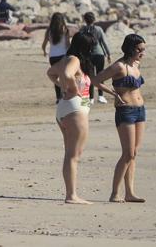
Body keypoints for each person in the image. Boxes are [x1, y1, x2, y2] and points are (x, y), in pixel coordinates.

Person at [91, 34, 147, 203]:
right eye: (140, 49)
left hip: (140, 111)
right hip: (125, 111)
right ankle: (115, 193)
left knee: (134, 153)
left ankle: (129, 193)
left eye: (144, 49)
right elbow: (96, 80)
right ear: (130, 49)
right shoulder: (119, 67)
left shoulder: (136, 64)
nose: (143, 53)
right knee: (127, 153)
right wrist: (114, 93)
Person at [46, 32, 96, 205]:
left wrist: (61, 86)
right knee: (74, 155)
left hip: (64, 108)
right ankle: (71, 195)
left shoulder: (66, 58)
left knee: (70, 153)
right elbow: (67, 74)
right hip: (75, 108)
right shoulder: (74, 60)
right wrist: (72, 88)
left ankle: (71, 193)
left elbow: (51, 72)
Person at [79, 12, 111, 105]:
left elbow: (79, 43)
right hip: (99, 54)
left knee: (89, 77)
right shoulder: (99, 29)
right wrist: (108, 54)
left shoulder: (82, 30)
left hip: (87, 56)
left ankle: (91, 98)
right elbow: (104, 42)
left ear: (85, 20)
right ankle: (101, 96)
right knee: (100, 75)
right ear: (94, 20)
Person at [42, 13, 71, 104]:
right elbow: (67, 44)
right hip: (63, 56)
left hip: (53, 57)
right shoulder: (65, 29)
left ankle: (59, 97)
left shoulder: (49, 30)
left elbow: (44, 45)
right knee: (63, 76)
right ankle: (65, 94)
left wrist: (44, 51)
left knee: (56, 77)